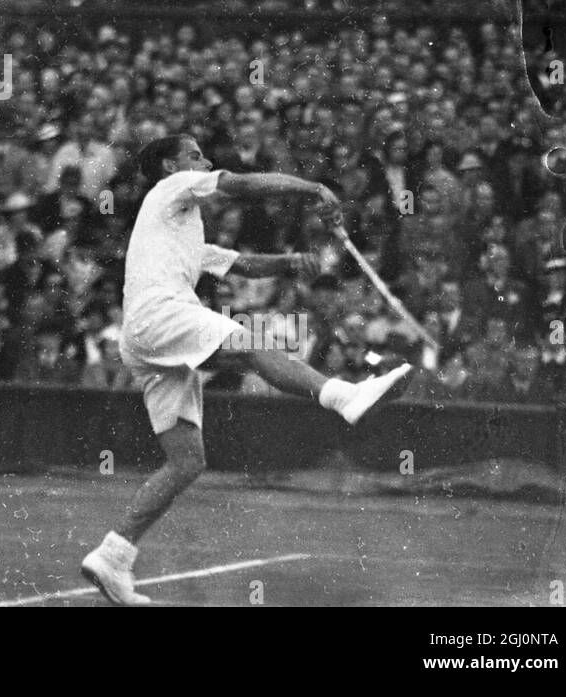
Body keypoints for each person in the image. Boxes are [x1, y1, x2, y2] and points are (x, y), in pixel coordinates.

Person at [80, 134, 412, 606]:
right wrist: (313, 188)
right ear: (171, 165)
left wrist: (293, 262)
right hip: (158, 317)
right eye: (196, 154)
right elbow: (241, 184)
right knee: (251, 343)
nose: (206, 160)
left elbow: (244, 264)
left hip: (145, 339)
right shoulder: (170, 189)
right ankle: (343, 395)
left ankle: (113, 555)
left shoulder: (179, 227)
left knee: (187, 461)